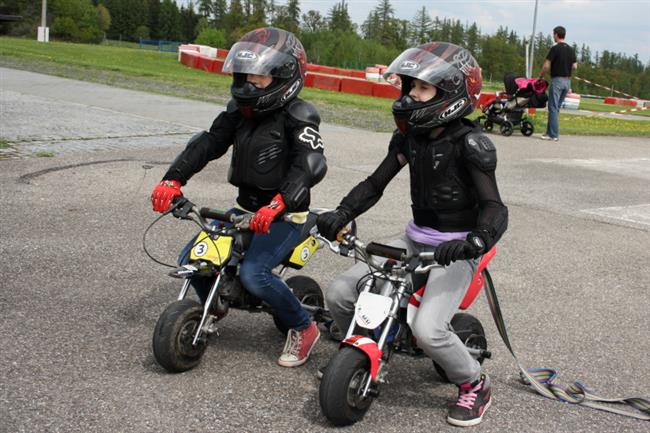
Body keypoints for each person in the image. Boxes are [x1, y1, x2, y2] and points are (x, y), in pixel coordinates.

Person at [316, 42, 508, 427]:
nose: (409, 97)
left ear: (452, 93)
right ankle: (367, 352)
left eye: (421, 89)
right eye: (408, 87)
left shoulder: (469, 144)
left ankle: (475, 383)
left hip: (457, 249)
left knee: (428, 330)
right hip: (415, 239)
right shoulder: (409, 138)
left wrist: (477, 240)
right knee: (339, 293)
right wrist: (342, 212)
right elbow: (376, 183)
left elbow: (495, 208)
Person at [151, 27, 327, 368]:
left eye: (258, 77)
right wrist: (172, 179)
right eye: (245, 74)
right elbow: (208, 144)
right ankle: (213, 306)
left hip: (286, 216)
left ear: (283, 75)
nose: (248, 83)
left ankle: (304, 328)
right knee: (193, 258)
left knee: (254, 274)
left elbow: (310, 164)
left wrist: (280, 202)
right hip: (243, 210)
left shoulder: (299, 115)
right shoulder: (239, 110)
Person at [539, 26, 578, 141]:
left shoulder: (555, 48)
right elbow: (575, 66)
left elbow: (546, 65)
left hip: (557, 81)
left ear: (556, 35)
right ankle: (549, 131)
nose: (553, 36)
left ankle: (553, 135)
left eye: (553, 34)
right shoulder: (571, 49)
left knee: (552, 107)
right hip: (567, 82)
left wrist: (541, 76)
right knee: (556, 108)